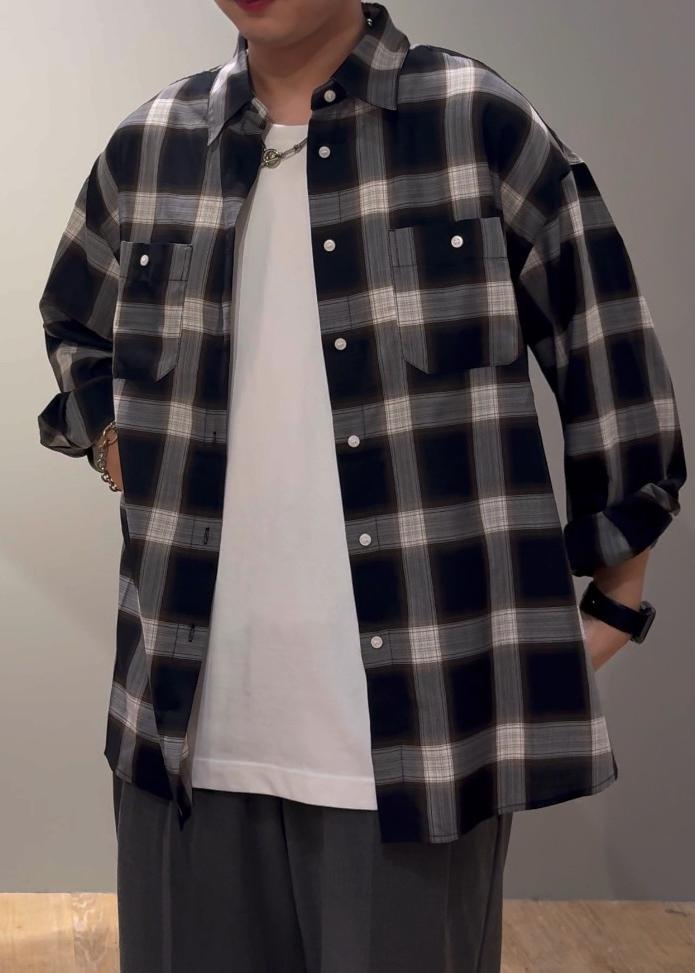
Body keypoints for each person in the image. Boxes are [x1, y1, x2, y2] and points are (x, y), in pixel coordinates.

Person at [36, 1, 687, 970]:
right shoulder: (150, 146)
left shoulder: (476, 121)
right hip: (180, 730)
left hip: (418, 737)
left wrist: (617, 594)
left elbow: (607, 349)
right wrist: (108, 438)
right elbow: (74, 321)